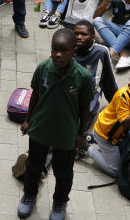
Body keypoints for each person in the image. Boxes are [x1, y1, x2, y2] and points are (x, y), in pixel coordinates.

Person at [17, 28, 93, 220]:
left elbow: (85, 108)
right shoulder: (43, 68)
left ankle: (60, 202)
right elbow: (34, 95)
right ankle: (29, 195)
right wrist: (27, 120)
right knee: (34, 165)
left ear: (73, 51)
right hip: (40, 129)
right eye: (54, 49)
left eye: (63, 50)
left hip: (66, 134)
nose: (58, 54)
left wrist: (81, 134)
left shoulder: (82, 77)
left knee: (63, 172)